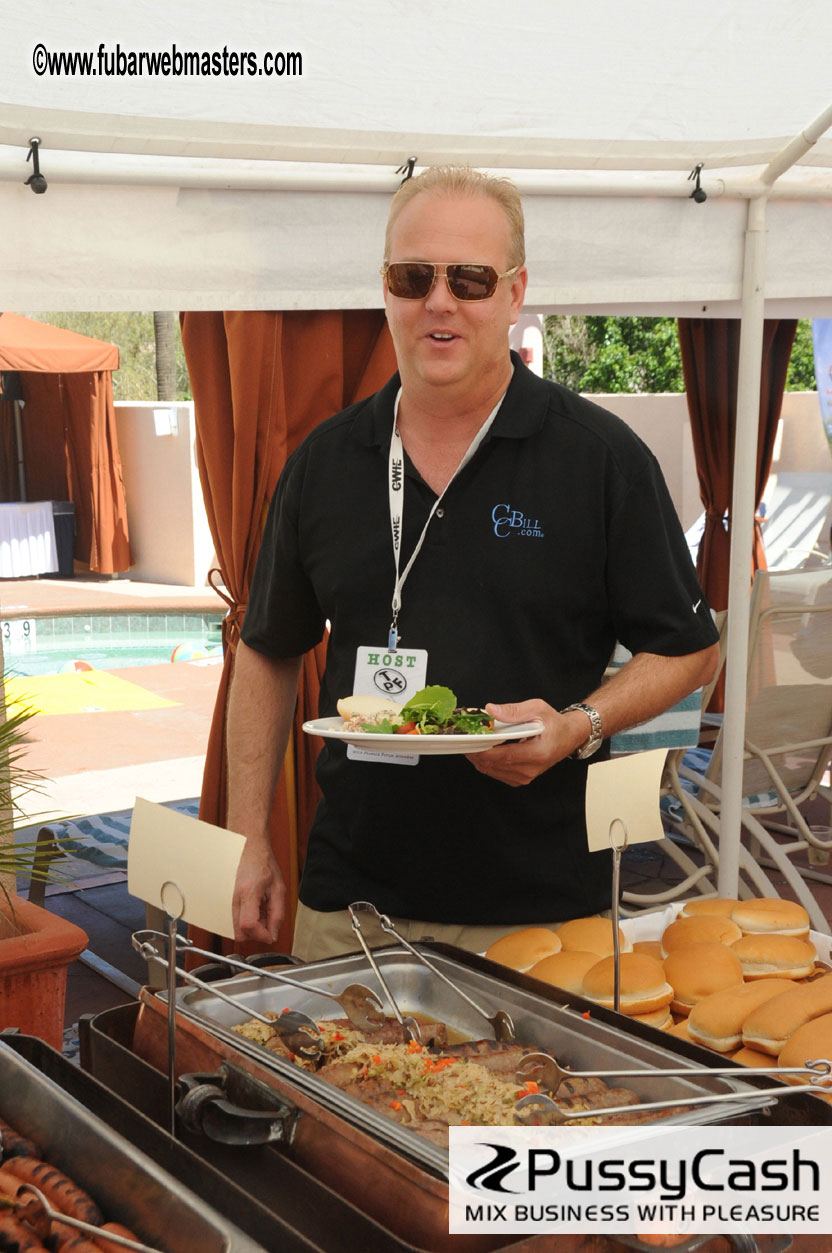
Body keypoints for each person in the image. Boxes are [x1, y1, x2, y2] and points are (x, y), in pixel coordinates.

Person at [227, 165, 720, 959]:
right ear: (385, 288)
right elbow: (266, 648)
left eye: (472, 278)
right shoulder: (324, 462)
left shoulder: (599, 460)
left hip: (542, 914)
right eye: (413, 276)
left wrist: (577, 726)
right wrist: (247, 834)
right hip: (350, 906)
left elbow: (692, 646)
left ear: (516, 292)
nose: (440, 300)